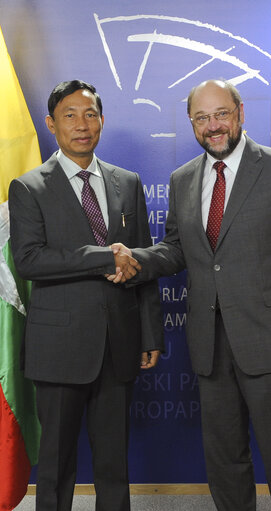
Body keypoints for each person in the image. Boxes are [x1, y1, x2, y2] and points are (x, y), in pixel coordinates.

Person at [108, 79, 271, 511]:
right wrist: (134, 258)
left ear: (240, 113)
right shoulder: (182, 178)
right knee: (224, 458)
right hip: (210, 344)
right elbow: (175, 249)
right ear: (191, 124)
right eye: (202, 118)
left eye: (221, 114)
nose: (213, 126)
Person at [8, 80, 163, 511]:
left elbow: (143, 263)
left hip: (119, 343)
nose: (82, 124)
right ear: (51, 124)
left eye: (90, 114)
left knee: (114, 465)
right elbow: (31, 261)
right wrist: (104, 257)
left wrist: (150, 333)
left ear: (102, 121)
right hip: (58, 348)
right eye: (70, 115)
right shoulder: (28, 187)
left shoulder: (127, 182)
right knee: (57, 467)